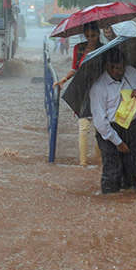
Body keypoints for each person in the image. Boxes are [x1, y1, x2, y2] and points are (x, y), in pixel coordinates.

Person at [89, 48, 136, 193]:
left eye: (121, 67)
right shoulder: (98, 88)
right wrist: (118, 142)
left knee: (132, 166)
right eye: (114, 68)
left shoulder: (131, 73)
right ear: (107, 66)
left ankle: (130, 196)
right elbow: (100, 122)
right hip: (110, 131)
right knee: (112, 170)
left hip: (131, 126)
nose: (119, 71)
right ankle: (111, 198)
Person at [55, 21, 103, 166]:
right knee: (83, 128)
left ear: (98, 34)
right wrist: (64, 79)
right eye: (87, 36)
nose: (90, 38)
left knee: (101, 128)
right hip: (82, 91)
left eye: (93, 35)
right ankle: (83, 163)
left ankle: (98, 158)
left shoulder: (105, 49)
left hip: (101, 92)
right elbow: (74, 68)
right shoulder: (79, 48)